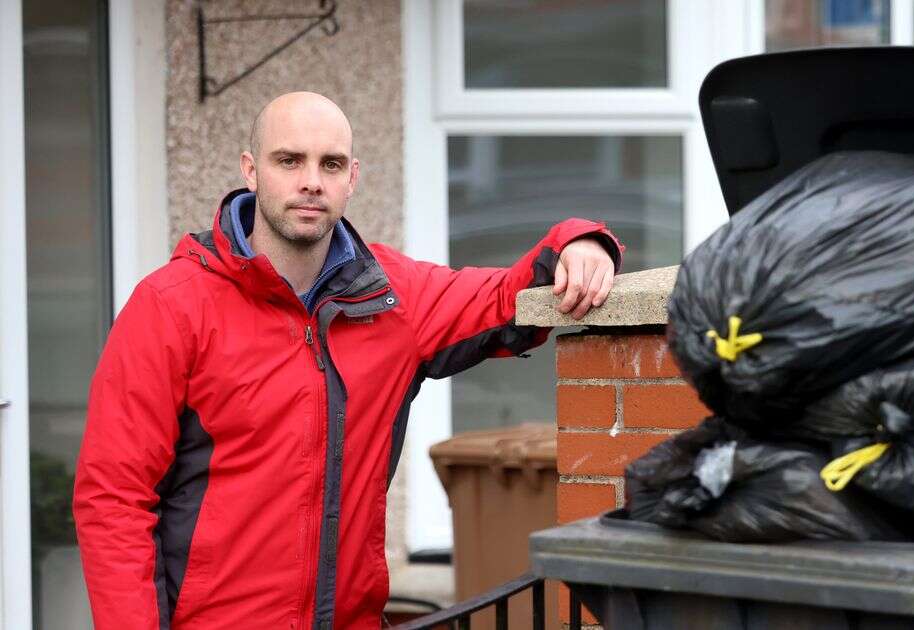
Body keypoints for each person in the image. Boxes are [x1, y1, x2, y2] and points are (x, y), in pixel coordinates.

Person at [73, 92, 622, 630]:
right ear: (251, 170)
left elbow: (508, 298)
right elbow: (113, 500)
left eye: (330, 163)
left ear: (351, 178)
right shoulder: (171, 306)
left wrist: (581, 242)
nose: (311, 180)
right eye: (289, 160)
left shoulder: (391, 295)